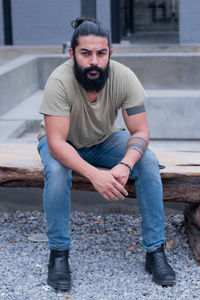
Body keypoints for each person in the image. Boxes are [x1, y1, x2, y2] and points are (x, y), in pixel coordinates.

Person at [37, 17, 176, 291]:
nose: (94, 61)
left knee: (147, 161)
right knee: (55, 171)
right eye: (85, 53)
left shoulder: (123, 77)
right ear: (72, 53)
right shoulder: (59, 81)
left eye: (101, 53)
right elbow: (56, 143)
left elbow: (140, 132)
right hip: (65, 142)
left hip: (103, 139)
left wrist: (125, 164)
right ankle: (58, 254)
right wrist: (94, 176)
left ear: (110, 53)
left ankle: (155, 251)